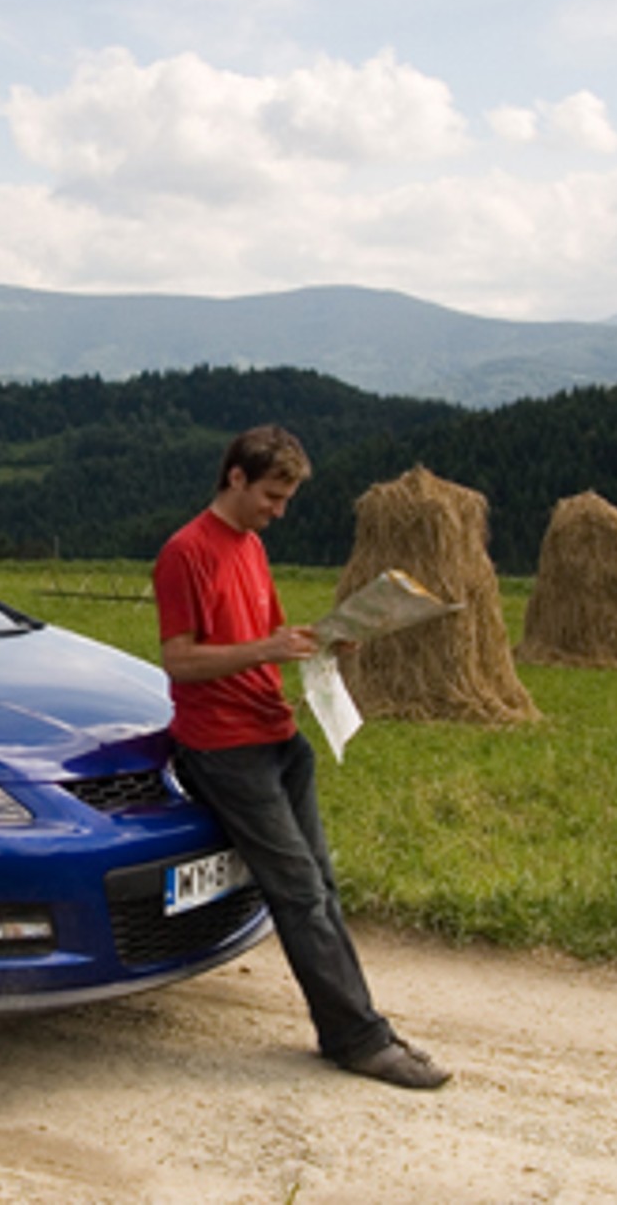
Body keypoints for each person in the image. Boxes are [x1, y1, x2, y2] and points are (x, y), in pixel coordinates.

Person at [152, 424, 451, 1090]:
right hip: (225, 747)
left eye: (286, 498)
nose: (279, 510)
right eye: (272, 495)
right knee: (300, 895)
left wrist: (333, 639)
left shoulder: (251, 548)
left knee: (321, 886)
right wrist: (264, 651)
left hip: (279, 736)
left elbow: (273, 635)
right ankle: (360, 1040)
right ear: (236, 477)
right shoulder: (184, 553)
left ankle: (351, 1026)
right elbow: (178, 658)